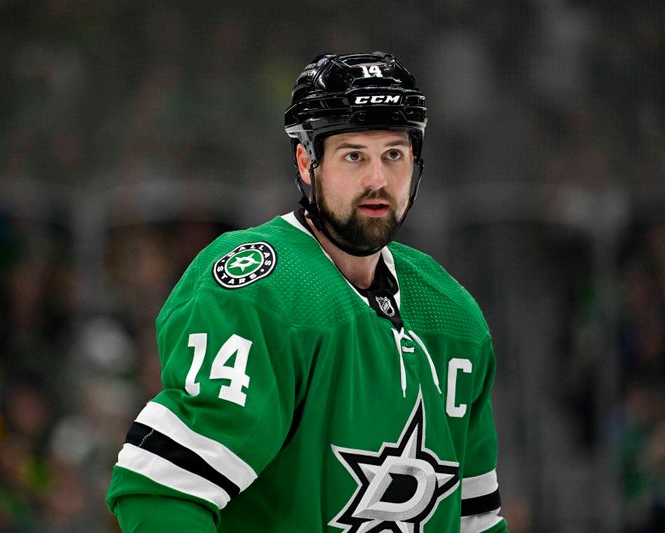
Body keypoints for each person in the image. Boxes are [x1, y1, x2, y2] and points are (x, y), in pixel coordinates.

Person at [106, 51, 508, 533]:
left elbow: (476, 521)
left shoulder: (454, 317)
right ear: (306, 161)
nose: (377, 179)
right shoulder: (258, 290)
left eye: (394, 155)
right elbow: (162, 494)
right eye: (354, 155)